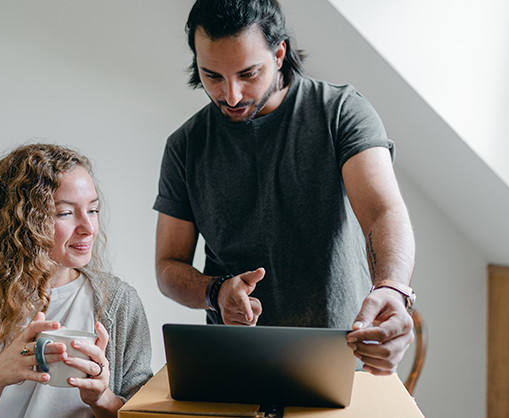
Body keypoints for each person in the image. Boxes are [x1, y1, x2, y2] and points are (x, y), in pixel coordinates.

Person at [154, 0, 416, 376]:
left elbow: (383, 211)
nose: (231, 95)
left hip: (339, 357)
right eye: (212, 76)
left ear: (279, 53)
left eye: (248, 73)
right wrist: (216, 292)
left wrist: (392, 289)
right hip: (235, 363)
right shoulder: (185, 145)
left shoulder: (341, 112)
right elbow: (168, 267)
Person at [0, 144, 152, 418]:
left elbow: (144, 413)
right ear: (22, 224)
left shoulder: (118, 304)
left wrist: (102, 398)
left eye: (93, 210)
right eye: (65, 213)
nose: (89, 228)